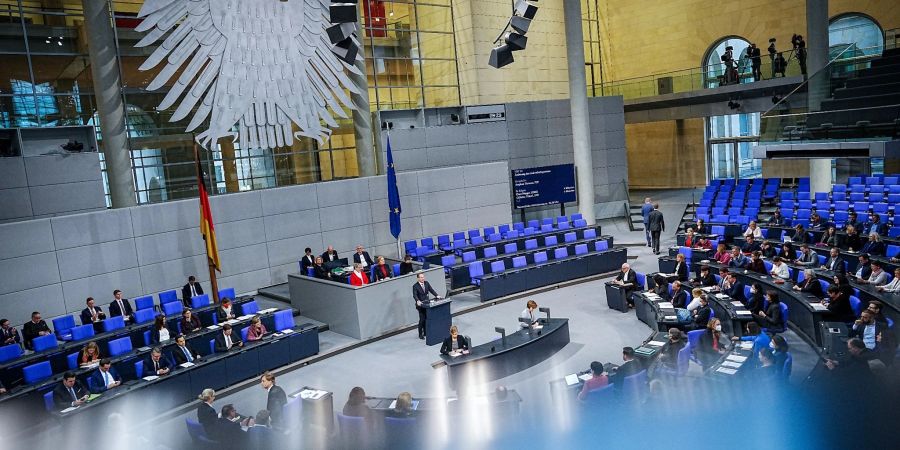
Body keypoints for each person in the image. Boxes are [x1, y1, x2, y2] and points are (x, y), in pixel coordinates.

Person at [413, 273, 441, 340]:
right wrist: (417, 300)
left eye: (423, 277)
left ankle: (426, 332)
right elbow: (415, 295)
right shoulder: (415, 286)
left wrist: (436, 295)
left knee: (427, 319)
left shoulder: (426, 283)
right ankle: (420, 334)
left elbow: (431, 290)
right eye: (421, 277)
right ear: (418, 278)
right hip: (420, 305)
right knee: (422, 319)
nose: (423, 278)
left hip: (427, 304)